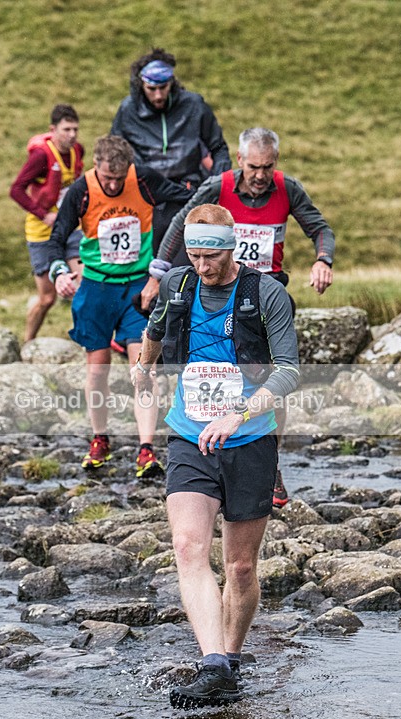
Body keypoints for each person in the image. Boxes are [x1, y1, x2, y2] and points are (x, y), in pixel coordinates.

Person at [132, 204, 300, 709]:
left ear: (231, 249)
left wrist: (241, 414)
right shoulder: (179, 286)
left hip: (249, 440)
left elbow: (289, 372)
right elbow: (155, 334)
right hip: (188, 436)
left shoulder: (265, 294)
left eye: (211, 256)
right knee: (187, 546)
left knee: (241, 567)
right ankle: (213, 664)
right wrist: (144, 368)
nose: (202, 266)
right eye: (195, 255)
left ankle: (231, 656)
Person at [155, 127, 335, 506]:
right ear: (240, 161)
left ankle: (272, 462)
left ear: (276, 163)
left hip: (267, 298)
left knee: (275, 375)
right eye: (253, 166)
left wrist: (323, 259)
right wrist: (158, 272)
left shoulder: (288, 189)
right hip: (218, 293)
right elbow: (180, 223)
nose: (260, 174)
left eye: (267, 167)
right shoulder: (217, 187)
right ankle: (200, 448)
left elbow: (319, 228)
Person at [48, 134, 194, 478]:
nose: (113, 184)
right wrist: (59, 273)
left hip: (137, 289)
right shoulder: (80, 190)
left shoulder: (142, 179)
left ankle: (146, 449)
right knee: (97, 369)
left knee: (143, 368)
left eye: (118, 177)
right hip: (96, 288)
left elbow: (188, 200)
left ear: (128, 167)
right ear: (95, 167)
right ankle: (100, 438)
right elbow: (56, 238)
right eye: (106, 177)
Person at [110, 47, 231, 263]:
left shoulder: (193, 105)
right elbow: (115, 152)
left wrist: (218, 184)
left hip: (187, 192)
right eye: (151, 88)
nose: (158, 95)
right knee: (144, 268)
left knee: (185, 266)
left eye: (163, 87)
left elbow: (219, 147)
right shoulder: (128, 110)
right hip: (146, 196)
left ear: (172, 82)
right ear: (141, 85)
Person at [10, 104, 84, 342]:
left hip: (71, 229)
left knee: (83, 286)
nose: (71, 135)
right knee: (47, 298)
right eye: (66, 130)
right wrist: (44, 214)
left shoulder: (77, 151)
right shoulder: (41, 156)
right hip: (41, 231)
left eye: (75, 129)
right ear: (53, 129)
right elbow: (16, 190)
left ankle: (87, 342)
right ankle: (28, 342)